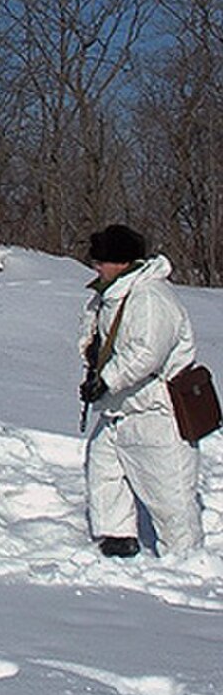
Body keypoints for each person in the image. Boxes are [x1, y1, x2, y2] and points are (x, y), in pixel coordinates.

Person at [79, 223, 203, 557]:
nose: (96, 265)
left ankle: (185, 557)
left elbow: (147, 353)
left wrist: (108, 379)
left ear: (122, 261)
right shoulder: (107, 296)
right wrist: (91, 361)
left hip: (156, 411)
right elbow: (95, 338)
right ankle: (117, 535)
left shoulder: (150, 297)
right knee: (104, 468)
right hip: (119, 408)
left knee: (168, 491)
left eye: (102, 260)